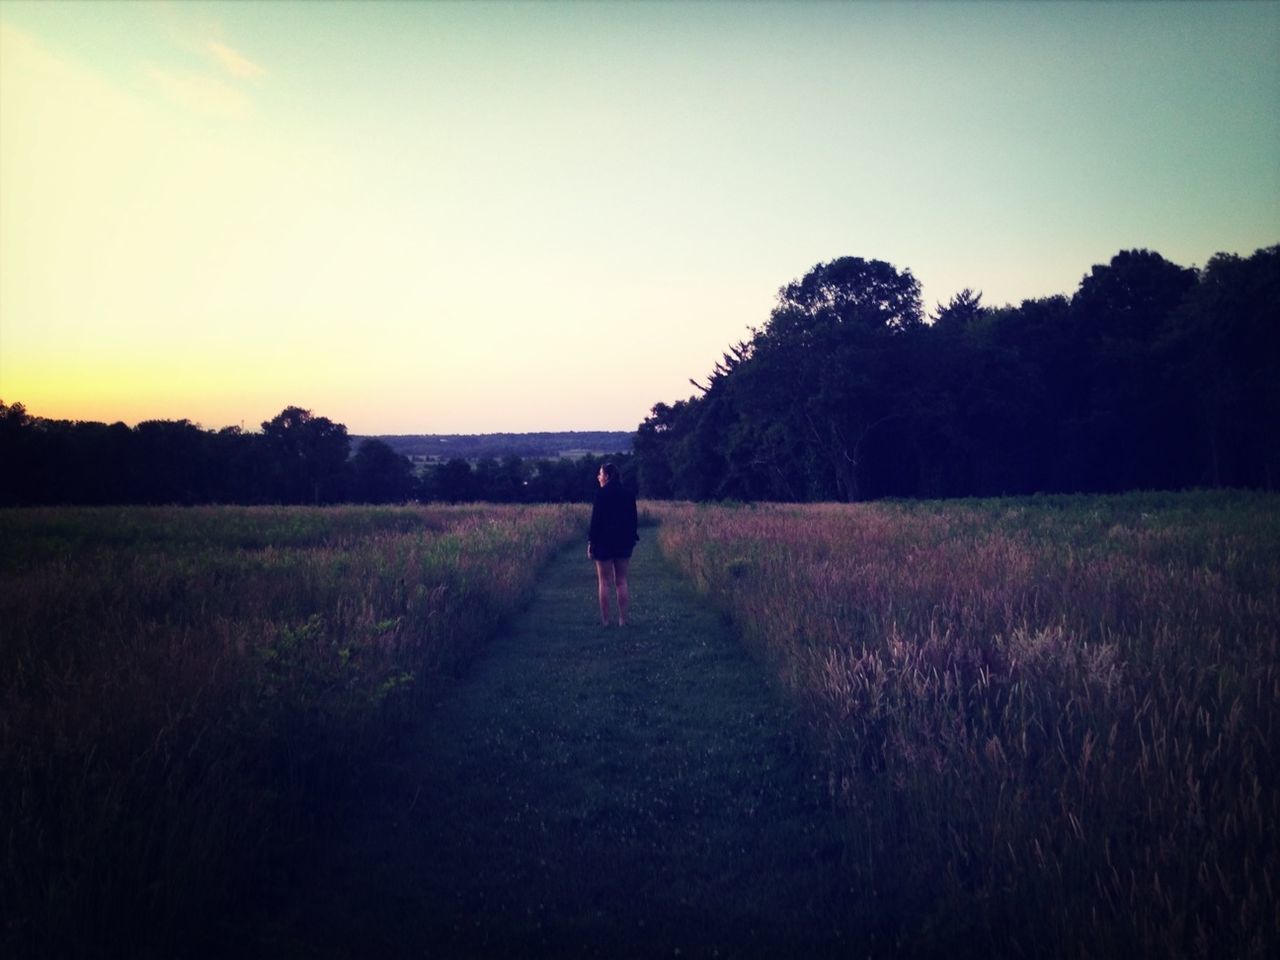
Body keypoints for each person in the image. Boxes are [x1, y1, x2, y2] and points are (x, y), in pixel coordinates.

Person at [587, 462, 638, 627]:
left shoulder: (601, 495)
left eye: (600, 474)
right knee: (622, 581)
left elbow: (596, 522)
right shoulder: (628, 494)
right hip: (624, 543)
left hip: (604, 544)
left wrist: (591, 542)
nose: (598, 477)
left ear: (607, 476)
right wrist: (631, 539)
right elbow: (633, 520)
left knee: (604, 582)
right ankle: (623, 620)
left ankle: (606, 621)